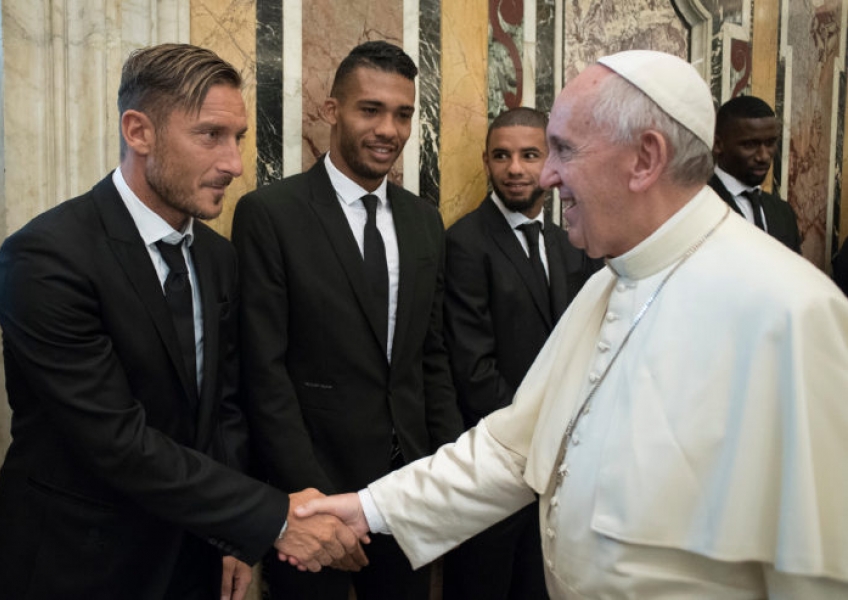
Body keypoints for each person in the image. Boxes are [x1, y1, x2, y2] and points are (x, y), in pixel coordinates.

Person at [295, 50, 848, 598]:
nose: (548, 175)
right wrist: (370, 508)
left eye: (563, 149)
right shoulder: (610, 284)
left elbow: (817, 572)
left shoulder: (789, 311)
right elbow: (515, 448)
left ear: (645, 158)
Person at [0, 43, 365, 600]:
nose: (234, 163)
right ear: (139, 131)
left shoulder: (216, 257)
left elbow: (226, 407)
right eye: (210, 135)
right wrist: (270, 518)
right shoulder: (45, 258)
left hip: (191, 558)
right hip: (81, 563)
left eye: (237, 138)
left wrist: (230, 538)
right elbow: (117, 440)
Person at [231, 40, 463, 600]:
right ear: (332, 110)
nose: (389, 129)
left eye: (404, 114)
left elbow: (429, 358)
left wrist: (447, 478)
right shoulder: (271, 215)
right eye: (371, 109)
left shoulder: (424, 222)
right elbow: (265, 372)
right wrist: (308, 502)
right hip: (311, 496)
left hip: (404, 494)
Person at [441, 107, 600, 600]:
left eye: (530, 155)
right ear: (486, 161)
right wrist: (538, 443)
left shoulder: (569, 241)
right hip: (499, 466)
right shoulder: (466, 242)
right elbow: (473, 368)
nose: (515, 169)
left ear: (551, 161)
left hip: (560, 476)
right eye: (501, 156)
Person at [709, 95, 802, 252]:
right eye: (750, 145)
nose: (764, 156)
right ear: (718, 144)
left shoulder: (783, 213)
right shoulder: (696, 204)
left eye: (770, 143)